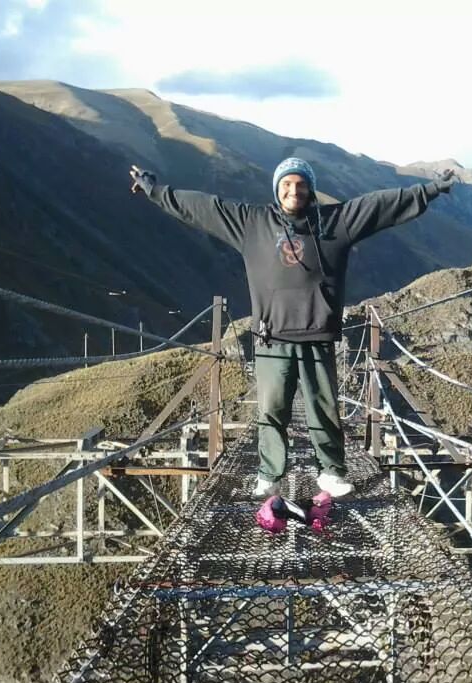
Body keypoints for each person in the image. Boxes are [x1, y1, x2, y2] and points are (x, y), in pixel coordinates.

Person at [130, 157, 454, 498]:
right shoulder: (251, 223)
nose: (294, 190)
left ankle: (331, 471)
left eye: (300, 185)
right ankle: (269, 474)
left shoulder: (336, 223)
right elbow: (202, 207)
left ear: (310, 189)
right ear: (276, 188)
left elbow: (379, 206)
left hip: (317, 336)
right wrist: (155, 190)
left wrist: (429, 190)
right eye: (286, 184)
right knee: (271, 410)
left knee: (324, 407)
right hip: (272, 337)